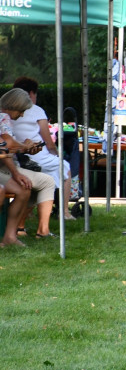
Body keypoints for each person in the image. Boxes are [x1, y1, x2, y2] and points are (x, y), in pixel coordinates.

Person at [10, 76, 74, 220]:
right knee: (65, 167)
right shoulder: (36, 110)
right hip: (35, 156)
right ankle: (64, 212)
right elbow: (49, 143)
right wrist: (57, 155)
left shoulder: (7, 112)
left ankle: (30, 214)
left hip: (15, 159)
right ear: (31, 93)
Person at [1, 89, 57, 245]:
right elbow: (7, 146)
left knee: (31, 185)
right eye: (22, 111)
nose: (23, 115)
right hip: (4, 169)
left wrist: (25, 147)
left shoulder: (6, 118)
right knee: (31, 185)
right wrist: (24, 146)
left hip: (7, 167)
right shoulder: (3, 116)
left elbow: (7, 148)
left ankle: (14, 233)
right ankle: (21, 232)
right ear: (14, 106)